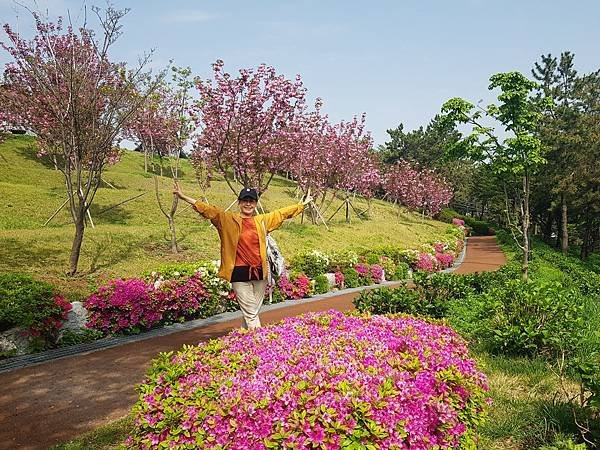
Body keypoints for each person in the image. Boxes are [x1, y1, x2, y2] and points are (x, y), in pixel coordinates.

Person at [173, 182, 312, 329]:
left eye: (251, 201)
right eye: (245, 201)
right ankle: (260, 344)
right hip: (238, 273)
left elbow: (281, 213)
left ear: (255, 203)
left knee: (252, 312)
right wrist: (184, 197)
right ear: (239, 203)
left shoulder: (262, 221)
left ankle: (243, 337)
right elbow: (208, 210)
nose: (248, 204)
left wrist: (301, 205)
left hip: (259, 272)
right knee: (251, 313)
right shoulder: (227, 219)